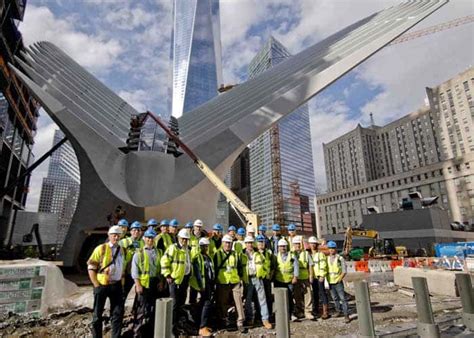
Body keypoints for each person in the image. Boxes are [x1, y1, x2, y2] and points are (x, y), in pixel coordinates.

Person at [87, 225, 125, 338]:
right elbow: (91, 267)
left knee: (117, 313)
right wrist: (96, 285)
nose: (116, 237)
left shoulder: (122, 250)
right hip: (102, 285)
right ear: (109, 235)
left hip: (116, 285)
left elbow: (122, 267)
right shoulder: (101, 249)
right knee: (97, 315)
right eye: (114, 235)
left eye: (118, 235)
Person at [131, 228, 164, 337]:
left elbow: (160, 268)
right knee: (141, 310)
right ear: (144, 238)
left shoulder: (159, 252)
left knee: (153, 309)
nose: (150, 240)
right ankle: (137, 333)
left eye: (152, 238)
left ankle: (150, 332)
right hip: (144, 284)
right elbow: (134, 271)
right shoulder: (139, 253)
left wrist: (161, 281)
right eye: (148, 238)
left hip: (155, 282)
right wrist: (138, 284)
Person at [161, 228, 193, 334]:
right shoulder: (173, 248)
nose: (184, 241)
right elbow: (164, 261)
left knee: (181, 302)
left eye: (186, 239)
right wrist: (167, 275)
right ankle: (172, 327)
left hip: (185, 279)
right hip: (175, 280)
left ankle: (180, 323)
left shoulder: (187, 249)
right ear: (179, 238)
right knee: (174, 303)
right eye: (183, 239)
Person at [214, 234, 246, 333]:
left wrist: (240, 278)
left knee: (238, 302)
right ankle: (224, 321)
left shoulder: (236, 254)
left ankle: (240, 322)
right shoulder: (218, 254)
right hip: (222, 282)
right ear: (222, 243)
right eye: (226, 243)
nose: (228, 245)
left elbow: (240, 267)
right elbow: (215, 268)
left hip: (234, 281)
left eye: (229, 243)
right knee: (222, 302)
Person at [242, 236, 272, 329]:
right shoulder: (241, 255)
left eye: (251, 243)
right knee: (248, 301)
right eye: (248, 243)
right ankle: (249, 319)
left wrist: (265, 274)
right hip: (248, 279)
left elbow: (265, 264)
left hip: (258, 278)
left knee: (262, 299)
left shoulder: (258, 254)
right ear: (245, 244)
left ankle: (265, 319)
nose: (249, 245)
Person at [189, 237, 215, 336]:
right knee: (206, 303)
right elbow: (198, 273)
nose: (205, 248)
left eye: (206, 246)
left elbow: (211, 271)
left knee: (204, 303)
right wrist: (201, 285)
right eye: (203, 246)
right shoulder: (198, 257)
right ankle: (202, 327)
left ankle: (202, 324)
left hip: (208, 283)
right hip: (202, 284)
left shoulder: (208, 257)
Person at [119, 221, 144, 304]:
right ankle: (118, 314)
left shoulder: (142, 243)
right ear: (130, 231)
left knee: (139, 294)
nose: (136, 232)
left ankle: (136, 312)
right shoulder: (124, 242)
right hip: (126, 272)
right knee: (122, 295)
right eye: (134, 230)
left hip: (138, 273)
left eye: (138, 230)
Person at [274, 238, 299, 321]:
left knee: (289, 298)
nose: (282, 248)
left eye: (284, 246)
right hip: (279, 280)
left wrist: (295, 276)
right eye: (281, 246)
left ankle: (291, 313)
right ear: (278, 247)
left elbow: (296, 266)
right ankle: (281, 315)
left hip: (289, 280)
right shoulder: (276, 256)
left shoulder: (291, 256)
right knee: (279, 299)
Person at [326, 241, 351, 323]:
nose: (331, 250)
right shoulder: (327, 258)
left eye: (333, 248)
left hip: (338, 281)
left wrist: (340, 279)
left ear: (335, 249)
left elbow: (344, 271)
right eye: (330, 248)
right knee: (334, 298)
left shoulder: (340, 259)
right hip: (330, 281)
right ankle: (338, 311)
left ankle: (346, 315)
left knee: (343, 298)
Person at [292, 237, 314, 320]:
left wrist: (311, 275)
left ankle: (308, 311)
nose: (297, 245)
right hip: (296, 277)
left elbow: (310, 265)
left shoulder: (306, 253)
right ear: (293, 245)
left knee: (308, 294)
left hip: (305, 276)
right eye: (296, 244)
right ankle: (299, 311)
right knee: (297, 295)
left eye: (298, 244)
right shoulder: (292, 254)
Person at [309, 236, 329, 320]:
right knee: (315, 294)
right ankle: (315, 310)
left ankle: (325, 311)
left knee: (322, 293)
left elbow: (324, 265)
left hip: (319, 277)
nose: (313, 245)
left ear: (316, 244)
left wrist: (322, 275)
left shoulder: (320, 254)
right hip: (313, 277)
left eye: (314, 243)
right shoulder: (309, 255)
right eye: (311, 243)